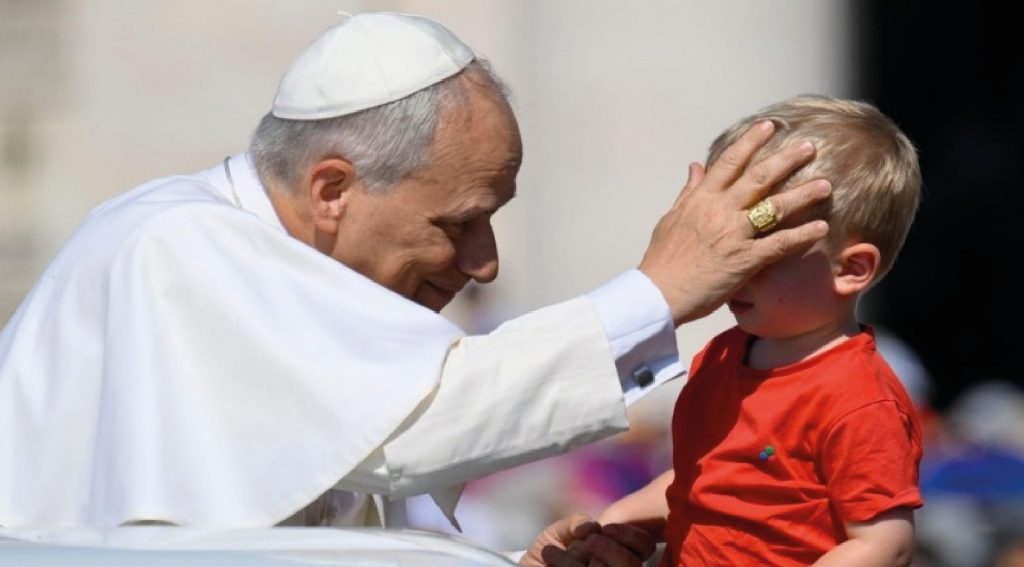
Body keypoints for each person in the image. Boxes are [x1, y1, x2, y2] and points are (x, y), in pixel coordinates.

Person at [0, 12, 831, 566]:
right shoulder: (174, 249)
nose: (484, 262)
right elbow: (425, 422)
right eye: (460, 222)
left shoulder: (257, 256)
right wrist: (662, 288)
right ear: (333, 190)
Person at [574, 95, 924, 566]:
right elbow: (702, 481)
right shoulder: (722, 355)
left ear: (850, 269)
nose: (734, 265)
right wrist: (621, 520)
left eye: (764, 252)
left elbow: (882, 542)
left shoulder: (858, 400)